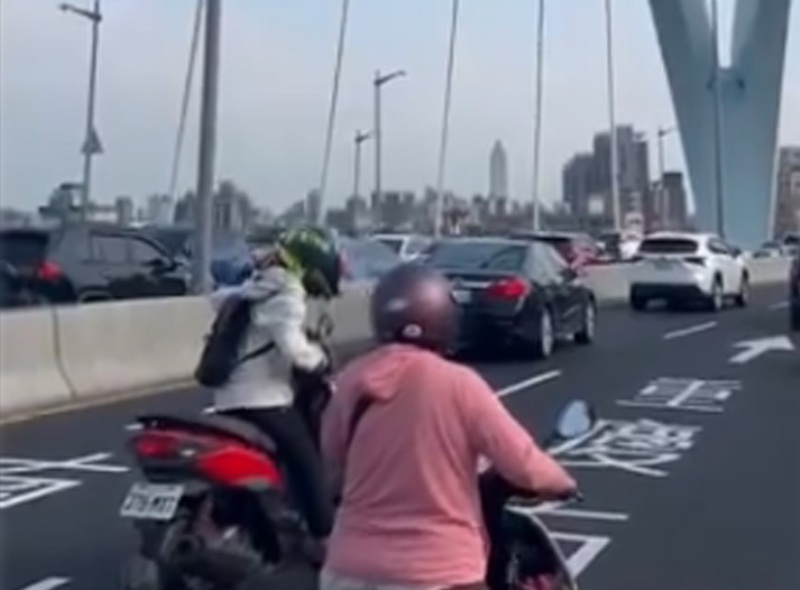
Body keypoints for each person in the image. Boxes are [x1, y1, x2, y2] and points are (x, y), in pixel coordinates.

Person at [320, 263, 577, 590]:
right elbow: (524, 465)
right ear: (441, 315)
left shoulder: (352, 380)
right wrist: (563, 484)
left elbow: (332, 458)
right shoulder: (459, 384)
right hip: (437, 570)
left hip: (349, 569)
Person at [211, 226, 342, 544]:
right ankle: (324, 535)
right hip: (263, 399)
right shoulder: (288, 294)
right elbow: (294, 349)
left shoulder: (255, 285)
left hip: (227, 396)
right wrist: (320, 362)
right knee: (306, 461)